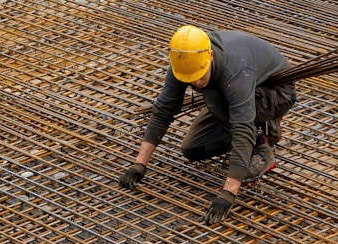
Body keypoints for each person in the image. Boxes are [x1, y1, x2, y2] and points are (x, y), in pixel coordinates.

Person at [119, 25, 297, 225]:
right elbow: (163, 110)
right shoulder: (183, 61)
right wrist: (139, 164)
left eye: (199, 76)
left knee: (215, 96)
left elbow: (241, 127)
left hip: (275, 93)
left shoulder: (235, 68)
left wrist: (228, 193)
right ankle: (253, 125)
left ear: (210, 56)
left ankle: (262, 145)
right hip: (231, 95)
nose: (194, 82)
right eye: (190, 80)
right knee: (193, 149)